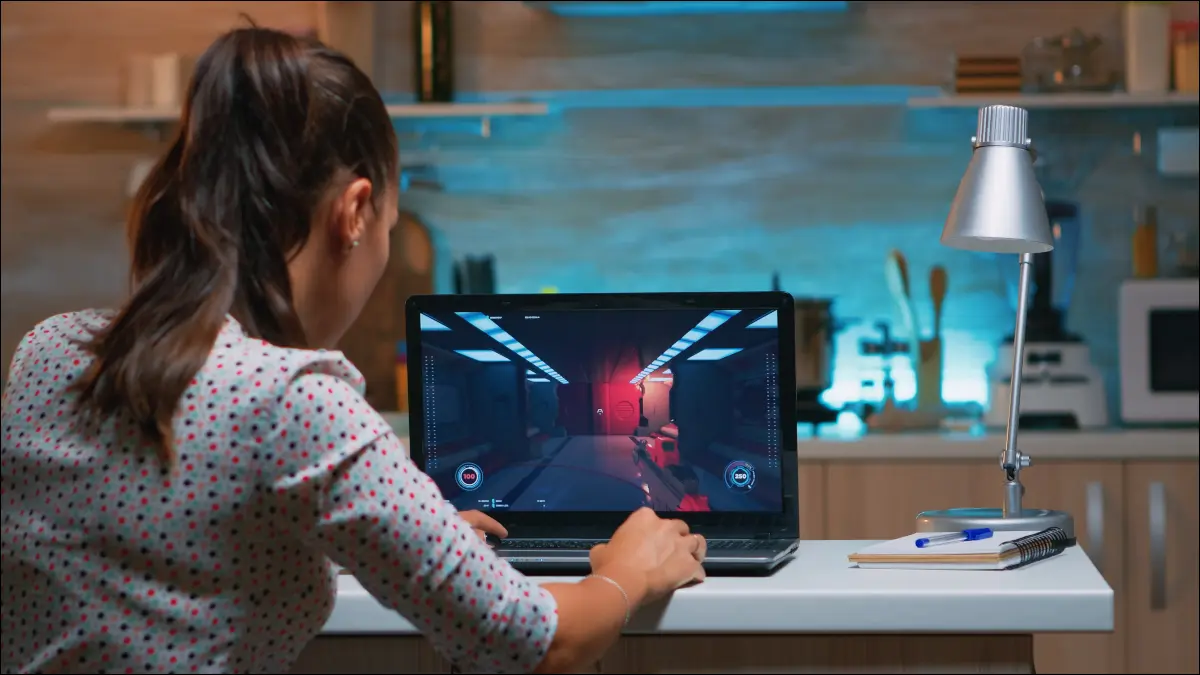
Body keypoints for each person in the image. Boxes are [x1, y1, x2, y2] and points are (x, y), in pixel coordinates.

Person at [0, 27, 706, 675]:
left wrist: (409, 530)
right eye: (391, 228)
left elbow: (179, 546)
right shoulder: (295, 400)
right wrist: (629, 570)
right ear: (356, 211)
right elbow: (545, 641)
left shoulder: (49, 351)